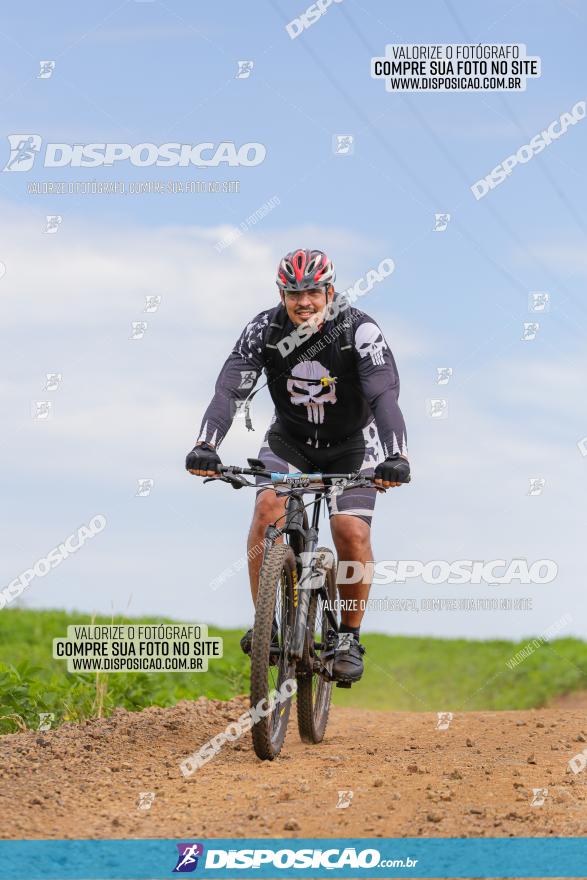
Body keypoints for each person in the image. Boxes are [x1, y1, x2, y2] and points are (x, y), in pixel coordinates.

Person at [186, 248, 410, 682]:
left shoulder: (359, 330)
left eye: (311, 291)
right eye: (293, 293)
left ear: (329, 290)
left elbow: (384, 395)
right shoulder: (264, 329)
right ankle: (266, 621)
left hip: (352, 446)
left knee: (350, 530)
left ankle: (347, 636)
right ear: (282, 295)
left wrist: (396, 455)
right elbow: (230, 387)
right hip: (291, 443)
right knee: (266, 509)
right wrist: (206, 445)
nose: (303, 301)